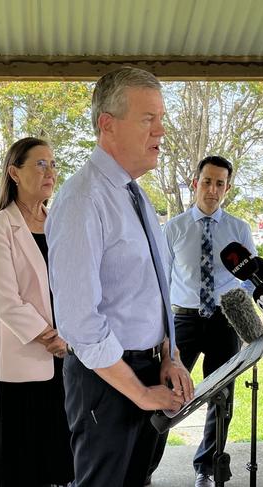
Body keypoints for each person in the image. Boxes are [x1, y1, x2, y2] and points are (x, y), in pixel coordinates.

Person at [46, 66, 193, 487]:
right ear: (107, 125)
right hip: (108, 383)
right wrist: (141, 393)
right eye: (149, 119)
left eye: (161, 119)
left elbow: (153, 291)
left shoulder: (134, 192)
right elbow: (79, 321)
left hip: (147, 369)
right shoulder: (83, 198)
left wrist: (170, 355)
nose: (161, 131)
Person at [150, 155, 256, 487]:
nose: (212, 190)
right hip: (184, 322)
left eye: (220, 184)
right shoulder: (174, 228)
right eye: (207, 181)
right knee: (168, 394)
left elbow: (250, 278)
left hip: (225, 321)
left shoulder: (239, 229)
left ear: (228, 187)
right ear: (196, 183)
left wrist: (242, 304)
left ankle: (206, 467)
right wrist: (164, 333)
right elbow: (161, 283)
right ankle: (144, 465)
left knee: (221, 397)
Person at [0, 137, 75, 487]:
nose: (50, 171)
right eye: (40, 164)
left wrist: (72, 335)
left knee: (59, 460)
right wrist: (51, 338)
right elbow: (5, 299)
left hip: (67, 361)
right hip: (20, 364)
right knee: (15, 465)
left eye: (53, 163)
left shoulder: (59, 224)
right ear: (14, 173)